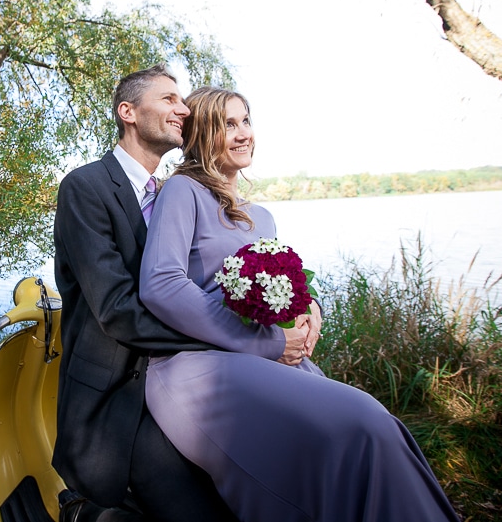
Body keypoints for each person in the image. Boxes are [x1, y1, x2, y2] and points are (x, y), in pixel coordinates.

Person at [138, 86, 460, 522]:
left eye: (246, 121)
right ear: (202, 134)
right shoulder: (183, 192)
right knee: (365, 421)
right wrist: (267, 344)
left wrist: (309, 310)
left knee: (379, 426)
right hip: (199, 367)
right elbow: (161, 284)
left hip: (267, 357)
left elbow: (282, 287)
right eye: (227, 124)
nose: (243, 134)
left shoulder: (262, 216)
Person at [52, 66, 239, 522]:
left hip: (190, 378)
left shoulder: (183, 195)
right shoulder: (86, 187)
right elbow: (115, 310)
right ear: (128, 112)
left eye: (184, 101)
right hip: (120, 396)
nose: (184, 108)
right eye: (170, 99)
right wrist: (228, 338)